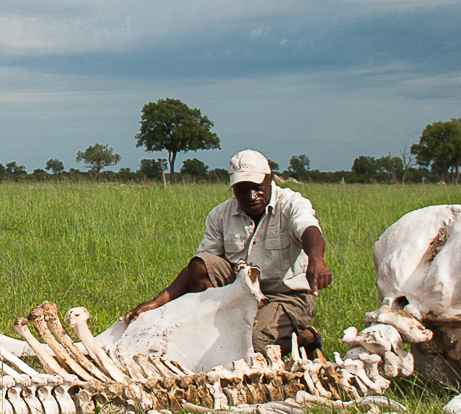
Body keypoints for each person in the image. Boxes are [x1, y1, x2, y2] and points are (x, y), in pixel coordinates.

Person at [124, 149, 333, 358]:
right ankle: (204, 327)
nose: (251, 197)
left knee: (252, 345)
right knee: (201, 265)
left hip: (285, 295)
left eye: (258, 188)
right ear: (233, 188)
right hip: (240, 290)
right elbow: (198, 267)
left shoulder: (291, 204)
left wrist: (317, 259)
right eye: (242, 190)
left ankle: (305, 338)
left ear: (270, 179)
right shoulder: (220, 214)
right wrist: (158, 301)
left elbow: (308, 230)